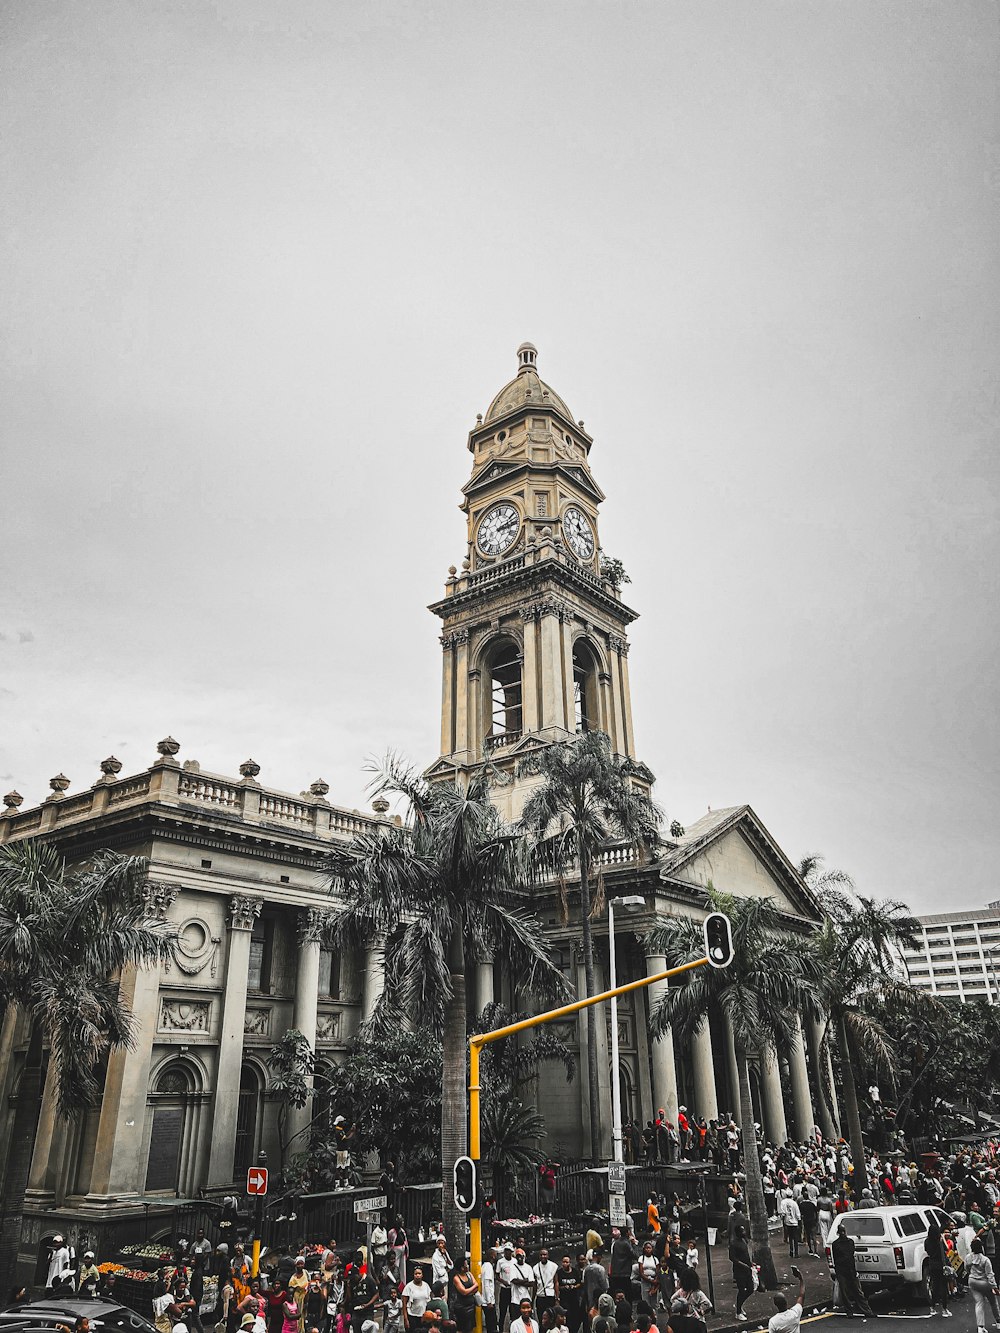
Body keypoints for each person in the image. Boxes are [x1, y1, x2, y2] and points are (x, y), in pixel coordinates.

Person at [830, 1228, 875, 1320]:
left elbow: (838, 1258)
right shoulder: (849, 1242)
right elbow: (849, 1255)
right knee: (852, 1292)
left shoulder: (838, 1244)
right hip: (847, 1270)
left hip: (847, 1270)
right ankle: (864, 1311)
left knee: (852, 1292)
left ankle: (859, 1311)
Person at [966, 1238, 1000, 1333]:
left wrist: (971, 1274)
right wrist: (995, 1287)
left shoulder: (968, 1257)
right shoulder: (985, 1260)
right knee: (993, 1302)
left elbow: (966, 1268)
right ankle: (998, 1322)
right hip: (984, 1283)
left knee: (979, 1303)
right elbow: (990, 1275)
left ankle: (980, 1327)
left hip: (972, 1281)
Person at [925, 1221, 953, 1318]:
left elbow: (927, 1251)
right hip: (941, 1265)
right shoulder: (939, 1241)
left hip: (932, 1264)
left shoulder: (927, 1241)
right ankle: (944, 1309)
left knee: (935, 1286)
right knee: (944, 1287)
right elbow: (945, 1249)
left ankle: (932, 1307)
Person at [728, 1225, 754, 1322]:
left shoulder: (744, 1241)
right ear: (738, 1233)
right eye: (742, 1231)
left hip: (747, 1270)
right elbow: (732, 1258)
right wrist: (743, 1265)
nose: (744, 1232)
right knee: (742, 1290)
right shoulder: (734, 1244)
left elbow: (745, 1255)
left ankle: (740, 1304)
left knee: (751, 1288)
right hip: (739, 1271)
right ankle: (738, 1312)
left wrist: (751, 1264)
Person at [767, 1266, 804, 1333]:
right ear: (786, 1302)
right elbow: (801, 1295)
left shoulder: (773, 1322)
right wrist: (801, 1279)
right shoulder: (795, 1314)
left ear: (775, 1304)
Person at [555, 1256, 583, 1333]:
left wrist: (574, 1286)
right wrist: (564, 1287)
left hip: (574, 1299)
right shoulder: (559, 1273)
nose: (565, 1264)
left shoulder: (575, 1271)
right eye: (563, 1262)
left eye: (567, 1262)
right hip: (564, 1299)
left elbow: (579, 1283)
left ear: (570, 1263)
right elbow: (557, 1285)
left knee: (575, 1317)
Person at [533, 1249, 557, 1322]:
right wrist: (533, 1298)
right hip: (540, 1296)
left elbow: (556, 1282)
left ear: (548, 1256)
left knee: (551, 1318)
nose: (543, 1256)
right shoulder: (535, 1268)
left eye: (545, 1254)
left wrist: (557, 1297)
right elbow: (535, 1284)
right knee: (541, 1318)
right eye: (541, 1255)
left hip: (550, 1295)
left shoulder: (554, 1266)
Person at [583, 1251, 609, 1315]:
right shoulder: (600, 1268)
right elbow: (605, 1285)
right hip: (600, 1297)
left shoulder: (586, 1269)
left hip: (589, 1297)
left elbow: (585, 1285)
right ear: (598, 1257)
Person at [779, 1192, 802, 1259]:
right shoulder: (794, 1203)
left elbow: (783, 1213)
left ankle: (791, 1252)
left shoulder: (783, 1202)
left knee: (790, 1238)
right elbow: (798, 1214)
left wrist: (783, 1222)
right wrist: (799, 1222)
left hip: (787, 1222)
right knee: (795, 1238)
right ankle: (796, 1253)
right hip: (794, 1223)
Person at [480, 1250, 498, 1333]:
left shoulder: (485, 1266)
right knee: (492, 1325)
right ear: (492, 1256)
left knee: (490, 1323)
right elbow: (486, 1284)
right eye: (495, 1254)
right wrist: (489, 1301)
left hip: (486, 1300)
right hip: (488, 1302)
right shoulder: (488, 1267)